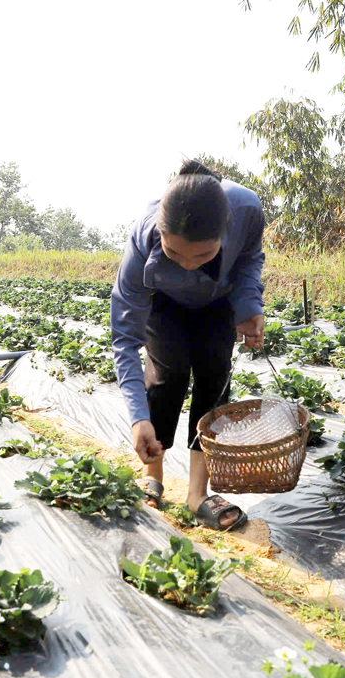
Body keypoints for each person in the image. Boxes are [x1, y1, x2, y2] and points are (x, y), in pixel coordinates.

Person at [110, 159, 266, 530]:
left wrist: (248, 306)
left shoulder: (245, 209)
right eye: (175, 253)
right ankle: (154, 475)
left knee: (214, 379)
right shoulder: (141, 241)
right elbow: (125, 339)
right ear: (160, 232)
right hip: (165, 302)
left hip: (218, 301)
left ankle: (198, 494)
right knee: (168, 373)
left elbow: (248, 260)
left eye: (203, 255)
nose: (190, 265)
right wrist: (137, 418)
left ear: (223, 232)